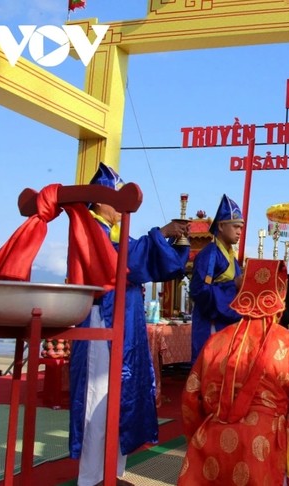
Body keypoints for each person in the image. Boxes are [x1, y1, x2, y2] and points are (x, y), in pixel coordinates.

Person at [68, 163, 190, 486]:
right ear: (99, 200)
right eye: (115, 197)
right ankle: (91, 477)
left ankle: (111, 471)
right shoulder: (90, 227)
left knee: (118, 396)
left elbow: (143, 259)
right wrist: (160, 233)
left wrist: (174, 243)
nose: (119, 204)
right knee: (98, 395)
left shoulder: (117, 231)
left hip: (124, 320)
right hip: (101, 319)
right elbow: (127, 261)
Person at [179, 258, 289, 486]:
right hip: (263, 442)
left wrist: (199, 434)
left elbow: (190, 396)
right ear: (279, 297)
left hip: (213, 437)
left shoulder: (216, 341)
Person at [189, 194, 244, 363]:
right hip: (211, 324)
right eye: (235, 226)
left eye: (241, 228)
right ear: (220, 225)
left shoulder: (231, 257)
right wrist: (233, 285)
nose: (239, 232)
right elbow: (199, 291)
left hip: (228, 323)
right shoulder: (210, 254)